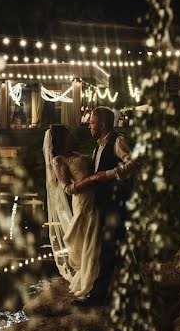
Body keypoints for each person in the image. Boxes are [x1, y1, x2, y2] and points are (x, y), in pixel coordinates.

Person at [65, 106, 139, 305]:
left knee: (108, 249)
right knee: (117, 245)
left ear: (103, 124)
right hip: (103, 205)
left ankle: (97, 298)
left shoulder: (119, 141)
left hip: (115, 203)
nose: (89, 126)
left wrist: (107, 175)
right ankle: (135, 287)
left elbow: (135, 163)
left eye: (92, 123)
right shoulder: (97, 147)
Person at [43, 124, 102, 298]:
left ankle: (99, 277)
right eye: (69, 136)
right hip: (82, 201)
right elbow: (67, 188)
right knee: (88, 239)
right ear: (61, 140)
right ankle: (90, 281)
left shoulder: (76, 155)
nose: (73, 137)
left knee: (96, 240)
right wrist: (90, 180)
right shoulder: (59, 160)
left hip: (95, 199)